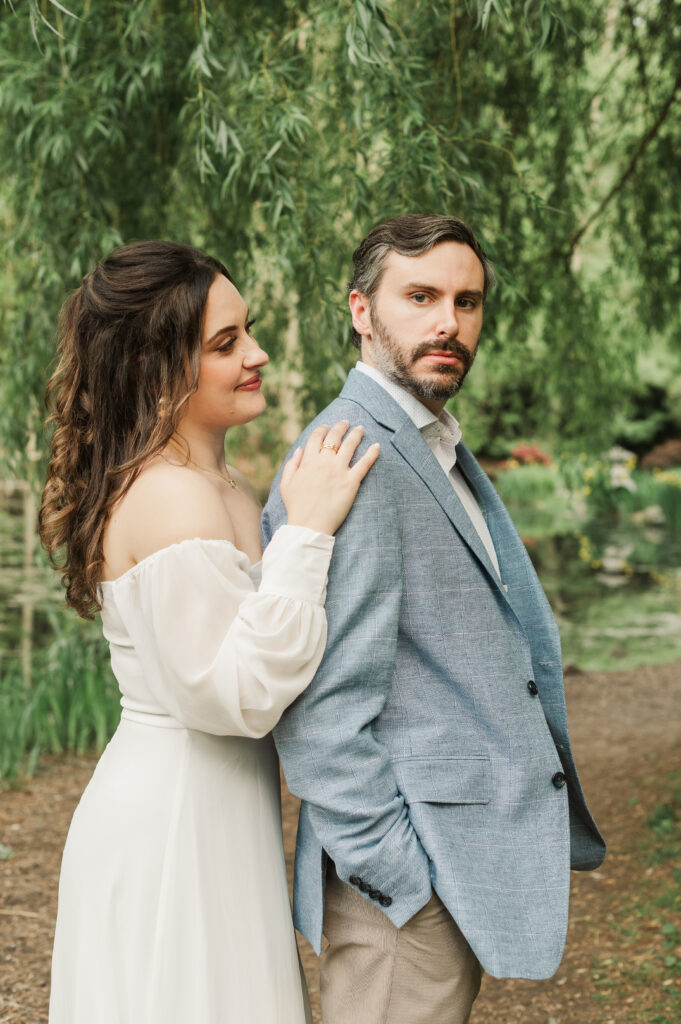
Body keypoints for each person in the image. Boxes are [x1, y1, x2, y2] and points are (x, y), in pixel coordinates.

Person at [262, 213, 606, 1024]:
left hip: (445, 870)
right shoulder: (354, 456)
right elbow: (321, 714)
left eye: (467, 301)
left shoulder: (427, 440)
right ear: (360, 311)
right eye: (419, 297)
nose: (448, 322)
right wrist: (399, 882)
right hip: (404, 891)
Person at [39, 240, 379, 1024]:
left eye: (246, 331)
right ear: (156, 371)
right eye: (224, 344)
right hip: (173, 821)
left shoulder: (219, 483)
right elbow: (237, 696)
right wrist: (308, 535)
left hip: (216, 809)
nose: (256, 354)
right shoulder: (170, 500)